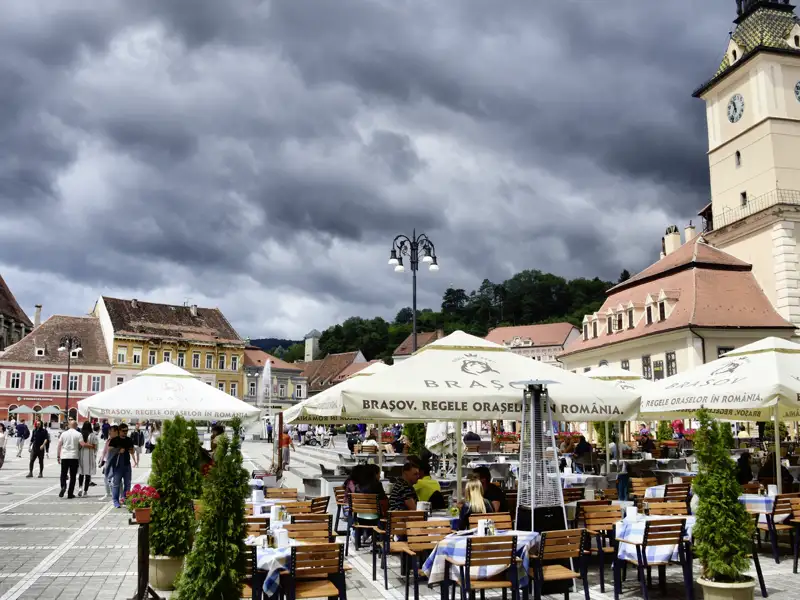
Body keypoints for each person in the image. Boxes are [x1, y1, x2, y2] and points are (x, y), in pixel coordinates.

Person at [109, 423, 135, 508]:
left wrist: (132, 450)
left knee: (128, 483)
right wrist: (118, 450)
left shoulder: (129, 440)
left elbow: (132, 451)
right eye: (123, 431)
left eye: (127, 431)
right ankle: (115, 501)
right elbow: (110, 450)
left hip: (127, 464)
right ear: (119, 431)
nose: (125, 432)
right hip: (117, 465)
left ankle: (125, 499)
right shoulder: (114, 440)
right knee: (116, 484)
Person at [57, 419, 82, 498]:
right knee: (73, 475)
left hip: (64, 456)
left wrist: (58, 456)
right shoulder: (78, 434)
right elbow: (81, 444)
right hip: (74, 456)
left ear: (69, 425)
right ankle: (70, 493)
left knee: (63, 473)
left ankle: (63, 486)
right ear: (76, 426)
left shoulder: (63, 434)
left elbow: (59, 445)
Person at [98, 425, 120, 501]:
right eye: (109, 431)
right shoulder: (108, 440)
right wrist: (101, 461)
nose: (109, 432)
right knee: (106, 478)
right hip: (107, 462)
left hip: (115, 463)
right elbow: (104, 451)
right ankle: (108, 493)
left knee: (114, 479)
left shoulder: (118, 441)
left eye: (111, 431)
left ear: (116, 432)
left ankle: (118, 495)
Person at [77, 421, 98, 497]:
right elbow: (95, 447)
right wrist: (92, 447)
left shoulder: (80, 435)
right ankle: (85, 491)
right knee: (88, 474)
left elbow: (78, 446)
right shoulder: (93, 435)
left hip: (81, 456)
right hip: (90, 456)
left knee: (81, 473)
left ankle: (80, 488)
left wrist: (84, 445)